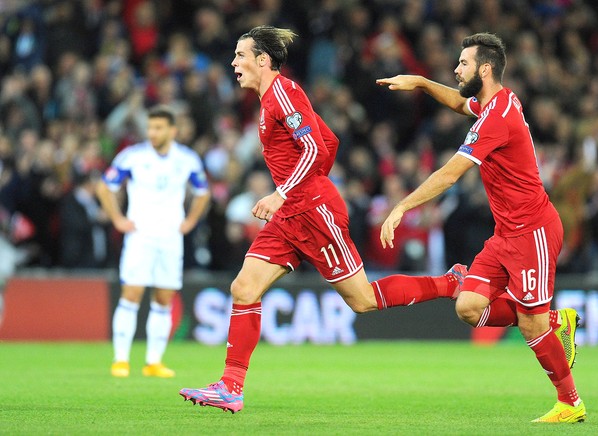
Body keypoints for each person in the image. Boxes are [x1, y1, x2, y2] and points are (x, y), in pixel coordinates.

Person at [179, 25, 467, 413]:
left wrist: (287, 191)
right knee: (244, 288)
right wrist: (297, 189)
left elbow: (315, 146)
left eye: (240, 55)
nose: (233, 63)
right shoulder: (270, 100)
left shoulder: (282, 93)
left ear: (263, 60)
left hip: (314, 213)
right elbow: (329, 141)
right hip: (291, 215)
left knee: (362, 301)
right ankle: (231, 386)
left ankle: (450, 283)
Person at [376, 33, 585, 423]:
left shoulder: (497, 117)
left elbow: (451, 174)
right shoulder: (495, 103)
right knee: (469, 307)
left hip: (533, 232)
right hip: (505, 233)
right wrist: (421, 83)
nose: (456, 69)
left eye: (463, 63)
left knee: (531, 326)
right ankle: (558, 320)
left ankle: (570, 403)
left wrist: (401, 206)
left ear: (484, 69)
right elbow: (458, 101)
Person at [97, 106, 210, 378]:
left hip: (171, 238)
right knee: (131, 295)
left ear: (172, 131)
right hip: (141, 235)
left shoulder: (187, 159)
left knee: (163, 298)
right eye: (150, 128)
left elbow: (203, 192)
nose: (152, 133)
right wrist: (117, 219)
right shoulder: (132, 157)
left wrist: (191, 221)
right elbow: (105, 186)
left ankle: (153, 362)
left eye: (158, 128)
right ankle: (121, 359)